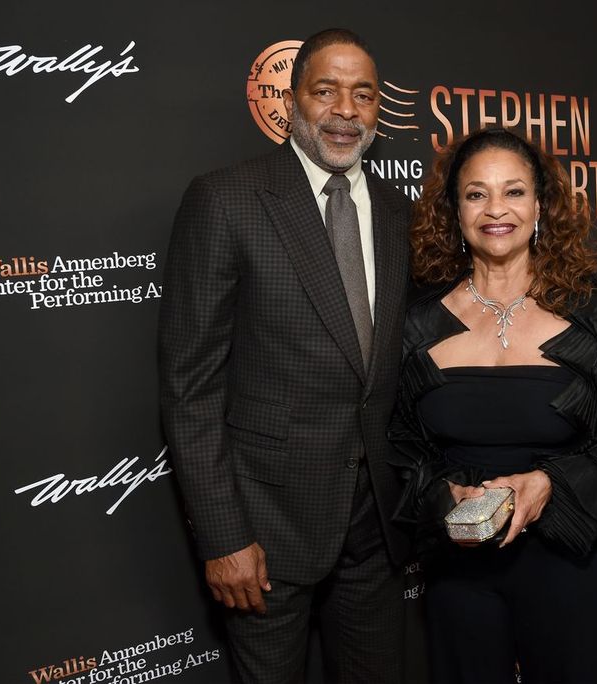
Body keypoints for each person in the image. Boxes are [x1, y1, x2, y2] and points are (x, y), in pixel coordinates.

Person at [388, 127, 597, 684]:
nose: (495, 209)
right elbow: (397, 442)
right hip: (462, 566)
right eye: (476, 193)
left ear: (540, 206)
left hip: (569, 558)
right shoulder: (418, 323)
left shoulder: (590, 313)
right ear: (454, 211)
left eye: (514, 191)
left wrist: (552, 484)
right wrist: (443, 495)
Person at [158, 29, 411, 684]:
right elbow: (190, 388)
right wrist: (222, 536)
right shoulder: (226, 200)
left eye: (363, 94)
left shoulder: (396, 211)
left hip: (376, 527)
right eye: (325, 90)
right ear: (291, 100)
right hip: (265, 531)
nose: (345, 110)